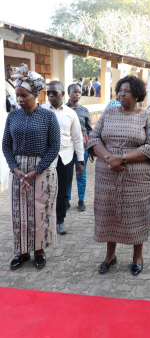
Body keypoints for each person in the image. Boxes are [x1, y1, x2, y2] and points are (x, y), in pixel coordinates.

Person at [87, 75, 150, 276]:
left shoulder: (147, 116)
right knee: (108, 214)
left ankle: (138, 256)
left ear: (137, 94)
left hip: (137, 180)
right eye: (120, 90)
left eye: (127, 91)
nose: (122, 94)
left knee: (136, 215)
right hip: (107, 177)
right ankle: (110, 256)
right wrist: (111, 158)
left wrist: (122, 158)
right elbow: (93, 138)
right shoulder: (109, 112)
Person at [2, 64, 60, 270]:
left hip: (41, 171)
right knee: (19, 212)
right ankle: (22, 252)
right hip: (18, 171)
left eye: (23, 95)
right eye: (17, 96)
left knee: (40, 211)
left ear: (35, 94)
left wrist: (36, 170)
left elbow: (54, 147)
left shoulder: (48, 117)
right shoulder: (12, 117)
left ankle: (39, 251)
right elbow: (6, 145)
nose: (19, 100)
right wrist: (14, 169)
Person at [42, 81, 84, 236]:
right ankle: (45, 220)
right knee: (45, 190)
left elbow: (77, 138)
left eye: (55, 92)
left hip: (65, 158)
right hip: (45, 158)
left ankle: (60, 221)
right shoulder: (41, 110)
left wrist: (80, 161)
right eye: (48, 93)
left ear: (62, 94)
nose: (51, 96)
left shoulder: (70, 113)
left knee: (63, 192)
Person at [66, 83, 92, 211]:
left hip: (82, 148)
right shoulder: (63, 109)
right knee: (67, 174)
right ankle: (67, 200)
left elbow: (89, 129)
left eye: (79, 92)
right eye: (74, 92)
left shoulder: (84, 110)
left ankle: (81, 200)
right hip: (67, 148)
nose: (77, 94)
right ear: (68, 93)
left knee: (81, 173)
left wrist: (90, 146)